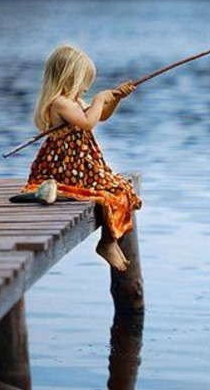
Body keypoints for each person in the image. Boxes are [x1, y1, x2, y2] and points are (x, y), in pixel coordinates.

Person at [20, 43, 142, 272]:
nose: (86, 88)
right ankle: (107, 243)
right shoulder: (59, 103)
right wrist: (98, 99)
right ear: (69, 78)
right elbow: (88, 123)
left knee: (123, 188)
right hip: (67, 167)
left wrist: (114, 99)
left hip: (83, 164)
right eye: (84, 81)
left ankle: (109, 241)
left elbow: (101, 117)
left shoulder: (73, 102)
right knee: (112, 191)